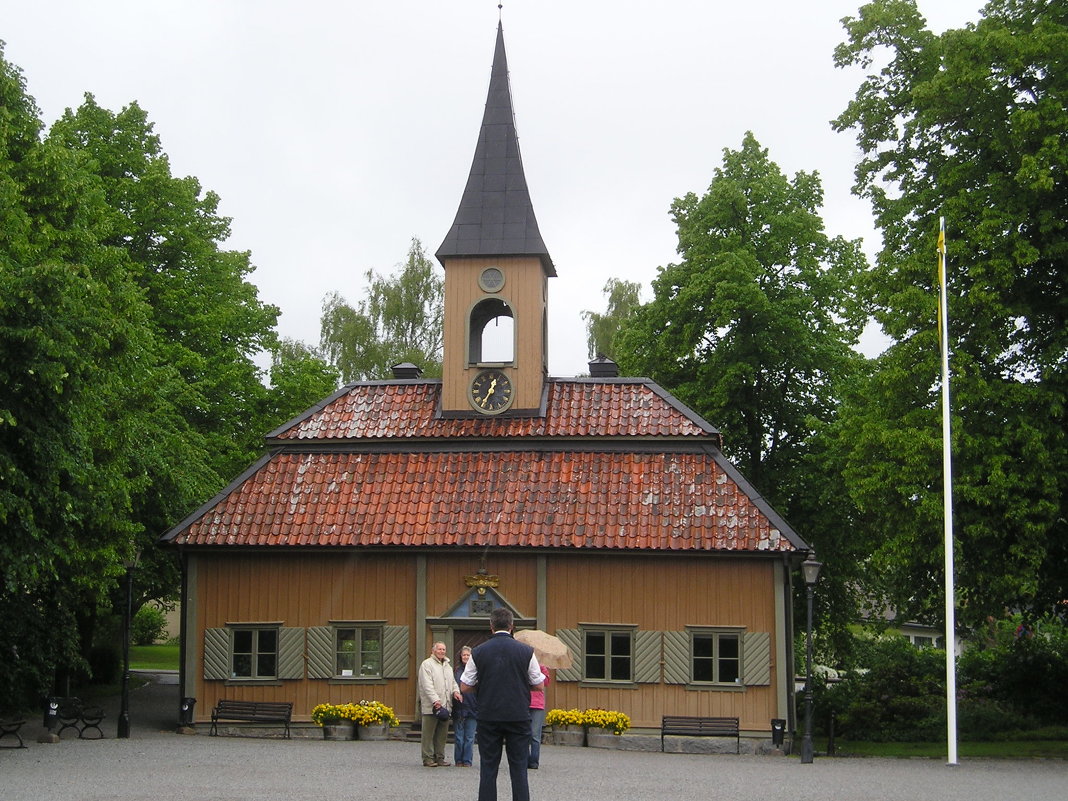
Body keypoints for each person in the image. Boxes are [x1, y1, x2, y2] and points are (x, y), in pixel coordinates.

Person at [460, 608, 544, 801]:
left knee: (488, 768)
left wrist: (485, 687)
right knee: (519, 769)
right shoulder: (526, 651)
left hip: (489, 715)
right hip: (518, 715)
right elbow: (539, 684)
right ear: (512, 626)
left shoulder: (478, 652)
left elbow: (465, 686)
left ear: (491, 627)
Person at [418, 641, 462, 767]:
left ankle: (440, 757)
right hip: (432, 707)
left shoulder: (447, 666)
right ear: (433, 651)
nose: (442, 651)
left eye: (444, 649)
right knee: (428, 734)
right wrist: (435, 700)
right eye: (439, 649)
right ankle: (428, 758)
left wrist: (456, 692)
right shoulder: (427, 665)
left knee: (442, 735)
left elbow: (453, 682)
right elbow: (427, 685)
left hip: (446, 706)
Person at [452, 645, 478, 767]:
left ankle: (467, 760)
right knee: (458, 737)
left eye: (468, 655)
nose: (466, 657)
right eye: (464, 655)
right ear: (460, 657)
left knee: (469, 737)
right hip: (459, 707)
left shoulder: (476, 671)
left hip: (473, 708)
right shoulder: (457, 671)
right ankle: (458, 760)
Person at [527, 664, 550, 769]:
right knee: (524, 733)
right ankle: (525, 759)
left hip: (537, 705)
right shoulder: (524, 665)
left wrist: (537, 672)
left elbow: (546, 682)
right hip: (524, 703)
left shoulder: (542, 667)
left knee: (535, 734)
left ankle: (534, 761)